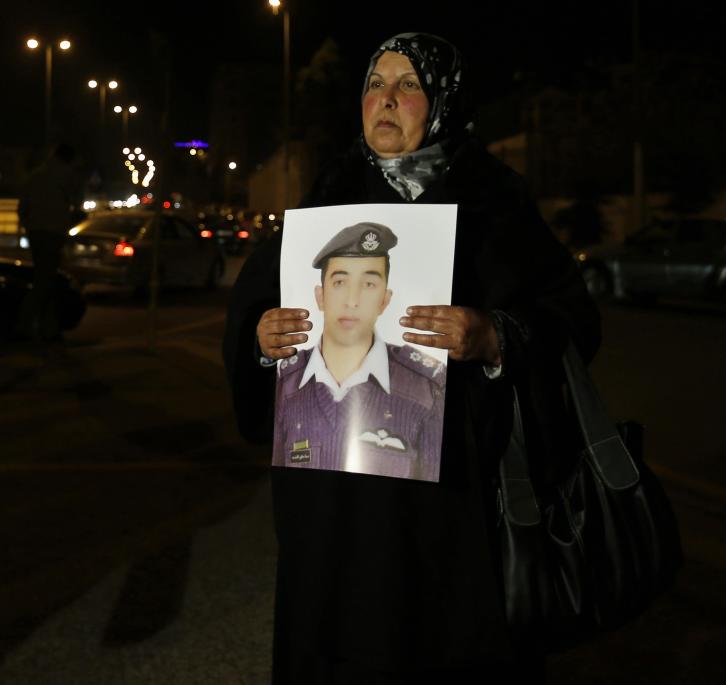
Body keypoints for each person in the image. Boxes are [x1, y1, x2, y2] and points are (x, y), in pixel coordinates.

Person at [224, 32, 601, 683]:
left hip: (452, 511)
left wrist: (495, 337)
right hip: (334, 513)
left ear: (443, 102)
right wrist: (263, 341)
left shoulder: (493, 201)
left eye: (408, 85)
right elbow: (255, 317)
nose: (386, 100)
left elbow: (574, 318)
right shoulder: (327, 198)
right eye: (375, 84)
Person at [274, 220, 446, 481]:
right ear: (320, 296)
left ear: (385, 300)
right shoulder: (285, 385)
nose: (352, 300)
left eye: (368, 284)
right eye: (340, 282)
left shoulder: (426, 388)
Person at [17, 143, 84, 342]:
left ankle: (47, 327)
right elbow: (77, 208)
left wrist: (29, 225)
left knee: (44, 277)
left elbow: (22, 208)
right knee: (46, 280)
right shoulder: (68, 176)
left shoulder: (35, 175)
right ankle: (26, 325)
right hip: (53, 232)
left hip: (35, 232)